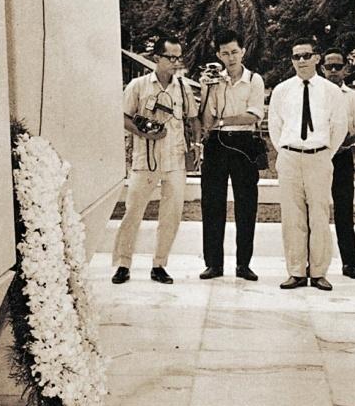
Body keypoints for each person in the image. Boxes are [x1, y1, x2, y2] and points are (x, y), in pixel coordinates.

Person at [112, 35, 201, 285]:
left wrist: (196, 144)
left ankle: (159, 264)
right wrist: (143, 132)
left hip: (175, 160)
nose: (175, 63)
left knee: (171, 215)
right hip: (145, 160)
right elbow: (123, 117)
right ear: (156, 58)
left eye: (178, 58)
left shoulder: (182, 87)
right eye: (170, 57)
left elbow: (193, 118)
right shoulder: (138, 86)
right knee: (133, 212)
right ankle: (123, 264)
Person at [268, 37, 348, 291]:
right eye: (296, 57)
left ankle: (319, 272)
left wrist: (324, 153)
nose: (301, 61)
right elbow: (274, 126)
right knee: (292, 217)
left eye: (306, 55)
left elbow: (339, 127)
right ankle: (296, 272)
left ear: (316, 58)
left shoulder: (331, 91)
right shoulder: (282, 90)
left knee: (319, 216)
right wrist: (287, 151)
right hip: (290, 156)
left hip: (319, 157)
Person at [199, 30, 265, 282]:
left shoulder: (254, 80)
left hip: (244, 144)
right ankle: (213, 264)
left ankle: (243, 264)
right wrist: (206, 89)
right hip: (216, 143)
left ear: (243, 51)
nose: (231, 57)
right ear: (218, 55)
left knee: (246, 206)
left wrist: (223, 120)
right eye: (225, 53)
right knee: (212, 204)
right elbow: (207, 121)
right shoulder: (213, 80)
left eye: (235, 52)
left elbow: (253, 115)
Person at [321, 48, 355, 280]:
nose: (333, 71)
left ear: (346, 70)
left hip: (341, 158)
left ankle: (349, 263)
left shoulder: (352, 97)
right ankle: (313, 263)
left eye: (337, 66)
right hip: (317, 158)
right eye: (329, 66)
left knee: (344, 211)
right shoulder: (314, 93)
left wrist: (343, 141)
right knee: (315, 211)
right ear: (322, 69)